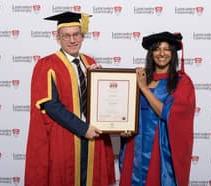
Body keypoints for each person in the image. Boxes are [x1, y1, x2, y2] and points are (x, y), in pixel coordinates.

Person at [25, 11, 115, 186]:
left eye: (76, 35)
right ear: (57, 38)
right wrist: (83, 129)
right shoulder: (47, 65)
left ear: (82, 36)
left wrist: (100, 80)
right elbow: (51, 105)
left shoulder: (90, 62)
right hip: (65, 137)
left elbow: (101, 100)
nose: (72, 40)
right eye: (66, 36)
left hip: (93, 136)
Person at [118, 31, 196, 186]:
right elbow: (126, 111)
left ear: (173, 53)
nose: (162, 53)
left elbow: (169, 113)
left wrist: (144, 89)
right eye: (157, 49)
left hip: (161, 150)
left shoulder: (182, 83)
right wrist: (123, 128)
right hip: (135, 146)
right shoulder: (141, 78)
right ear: (151, 53)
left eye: (167, 49)